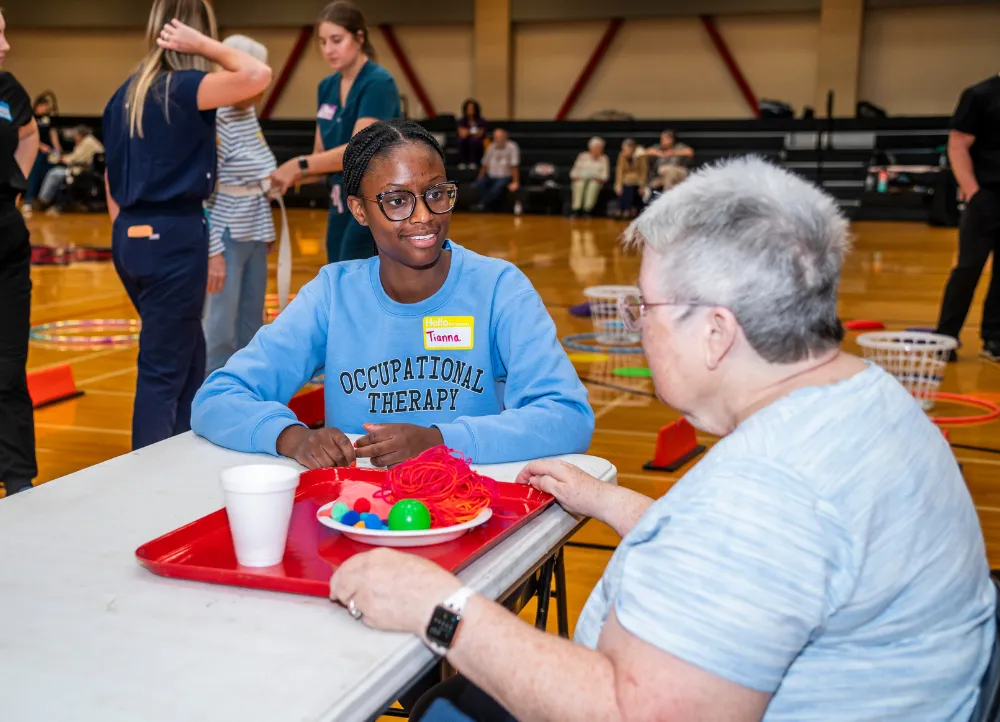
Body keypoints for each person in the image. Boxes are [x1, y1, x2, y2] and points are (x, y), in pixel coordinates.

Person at [329, 158, 996, 722]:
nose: (639, 327)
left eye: (645, 307)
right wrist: (616, 504)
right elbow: (774, 568)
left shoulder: (765, 490)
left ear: (715, 331)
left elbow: (633, 712)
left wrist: (436, 608)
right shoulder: (867, 399)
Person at [192, 119, 593, 468]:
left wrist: (439, 441)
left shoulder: (499, 289)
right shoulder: (333, 295)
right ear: (359, 210)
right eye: (397, 201)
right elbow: (217, 397)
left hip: (475, 510)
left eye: (437, 194)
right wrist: (293, 438)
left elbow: (567, 416)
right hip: (359, 516)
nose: (424, 216)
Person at [102, 0, 272, 451]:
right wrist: (206, 45)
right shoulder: (182, 87)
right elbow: (257, 75)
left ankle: (177, 457)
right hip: (173, 238)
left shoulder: (126, 92)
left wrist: (129, 237)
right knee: (163, 370)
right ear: (192, 35)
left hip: (133, 236)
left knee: (189, 354)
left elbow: (110, 178)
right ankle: (147, 478)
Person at [270, 1, 400, 264]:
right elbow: (321, 157)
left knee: (358, 277)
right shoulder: (326, 87)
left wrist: (298, 165)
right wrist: (276, 179)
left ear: (359, 37)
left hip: (374, 202)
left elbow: (358, 150)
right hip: (340, 202)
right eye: (322, 42)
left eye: (336, 40)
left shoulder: (378, 83)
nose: (328, 50)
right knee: (337, 271)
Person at [202, 34, 277, 377]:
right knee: (220, 326)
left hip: (254, 232)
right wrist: (213, 250)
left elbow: (263, 167)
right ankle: (211, 393)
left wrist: (267, 229)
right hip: (226, 235)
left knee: (252, 323)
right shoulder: (212, 119)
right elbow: (205, 192)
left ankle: (246, 392)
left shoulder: (247, 115)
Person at [0, 10, 40, 496]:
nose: (6, 44)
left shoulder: (8, 89)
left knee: (9, 366)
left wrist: (17, 185)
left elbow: (27, 136)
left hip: (8, 239)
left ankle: (18, 477)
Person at [935, 74, 1000, 362]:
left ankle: (994, 339)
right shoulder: (980, 94)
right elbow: (958, 144)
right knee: (968, 268)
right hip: (986, 195)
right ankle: (946, 337)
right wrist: (974, 191)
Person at [34, 125, 104, 214]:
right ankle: (47, 200)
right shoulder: (90, 141)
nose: (74, 139)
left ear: (80, 135)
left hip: (83, 171)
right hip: (88, 170)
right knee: (56, 171)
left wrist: (61, 158)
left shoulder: (87, 142)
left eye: (75, 136)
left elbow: (74, 158)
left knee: (54, 173)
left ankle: (43, 201)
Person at [22, 91, 60, 214]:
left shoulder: (48, 119)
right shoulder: (31, 118)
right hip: (35, 151)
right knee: (34, 176)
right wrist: (40, 146)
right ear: (38, 105)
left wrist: (57, 148)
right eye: (44, 106)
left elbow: (52, 133)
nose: (46, 108)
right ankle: (28, 201)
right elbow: (29, 135)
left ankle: (43, 201)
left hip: (49, 153)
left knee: (48, 174)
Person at [473, 129, 519, 213]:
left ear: (505, 137)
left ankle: (483, 204)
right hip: (491, 175)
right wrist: (480, 177)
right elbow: (484, 164)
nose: (496, 140)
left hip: (504, 176)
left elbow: (514, 165)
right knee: (479, 184)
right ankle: (485, 205)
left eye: (498, 137)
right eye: (495, 137)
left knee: (496, 188)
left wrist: (515, 182)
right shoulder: (491, 147)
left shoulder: (512, 147)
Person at [569, 136, 609, 217]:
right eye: (596, 148)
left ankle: (587, 210)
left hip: (596, 180)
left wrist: (598, 178)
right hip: (581, 178)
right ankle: (576, 209)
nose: (598, 150)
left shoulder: (604, 158)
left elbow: (605, 175)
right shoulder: (582, 156)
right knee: (579, 184)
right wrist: (576, 177)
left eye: (600, 148)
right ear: (590, 148)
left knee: (593, 186)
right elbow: (573, 172)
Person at [647, 128, 693, 193]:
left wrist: (674, 153)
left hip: (679, 172)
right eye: (661, 139)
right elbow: (647, 151)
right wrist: (660, 154)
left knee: (668, 170)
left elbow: (690, 152)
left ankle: (667, 194)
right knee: (655, 183)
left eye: (663, 139)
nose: (661, 141)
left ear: (670, 139)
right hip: (663, 175)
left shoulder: (678, 146)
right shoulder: (659, 147)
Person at [613, 138, 647, 219]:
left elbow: (643, 171)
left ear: (632, 149)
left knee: (629, 184)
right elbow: (619, 171)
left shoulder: (640, 155)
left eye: (625, 150)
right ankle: (623, 209)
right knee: (625, 186)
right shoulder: (621, 155)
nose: (624, 151)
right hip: (625, 180)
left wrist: (642, 185)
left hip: (637, 180)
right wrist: (618, 185)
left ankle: (625, 209)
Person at [456, 98, 485, 170]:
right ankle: (462, 162)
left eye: (472, 108)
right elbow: (461, 133)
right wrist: (473, 132)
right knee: (461, 140)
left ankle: (473, 162)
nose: (470, 110)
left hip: (477, 141)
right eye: (468, 108)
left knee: (474, 141)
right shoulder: (462, 120)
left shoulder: (481, 121)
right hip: (465, 140)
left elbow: (480, 134)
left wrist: (468, 132)